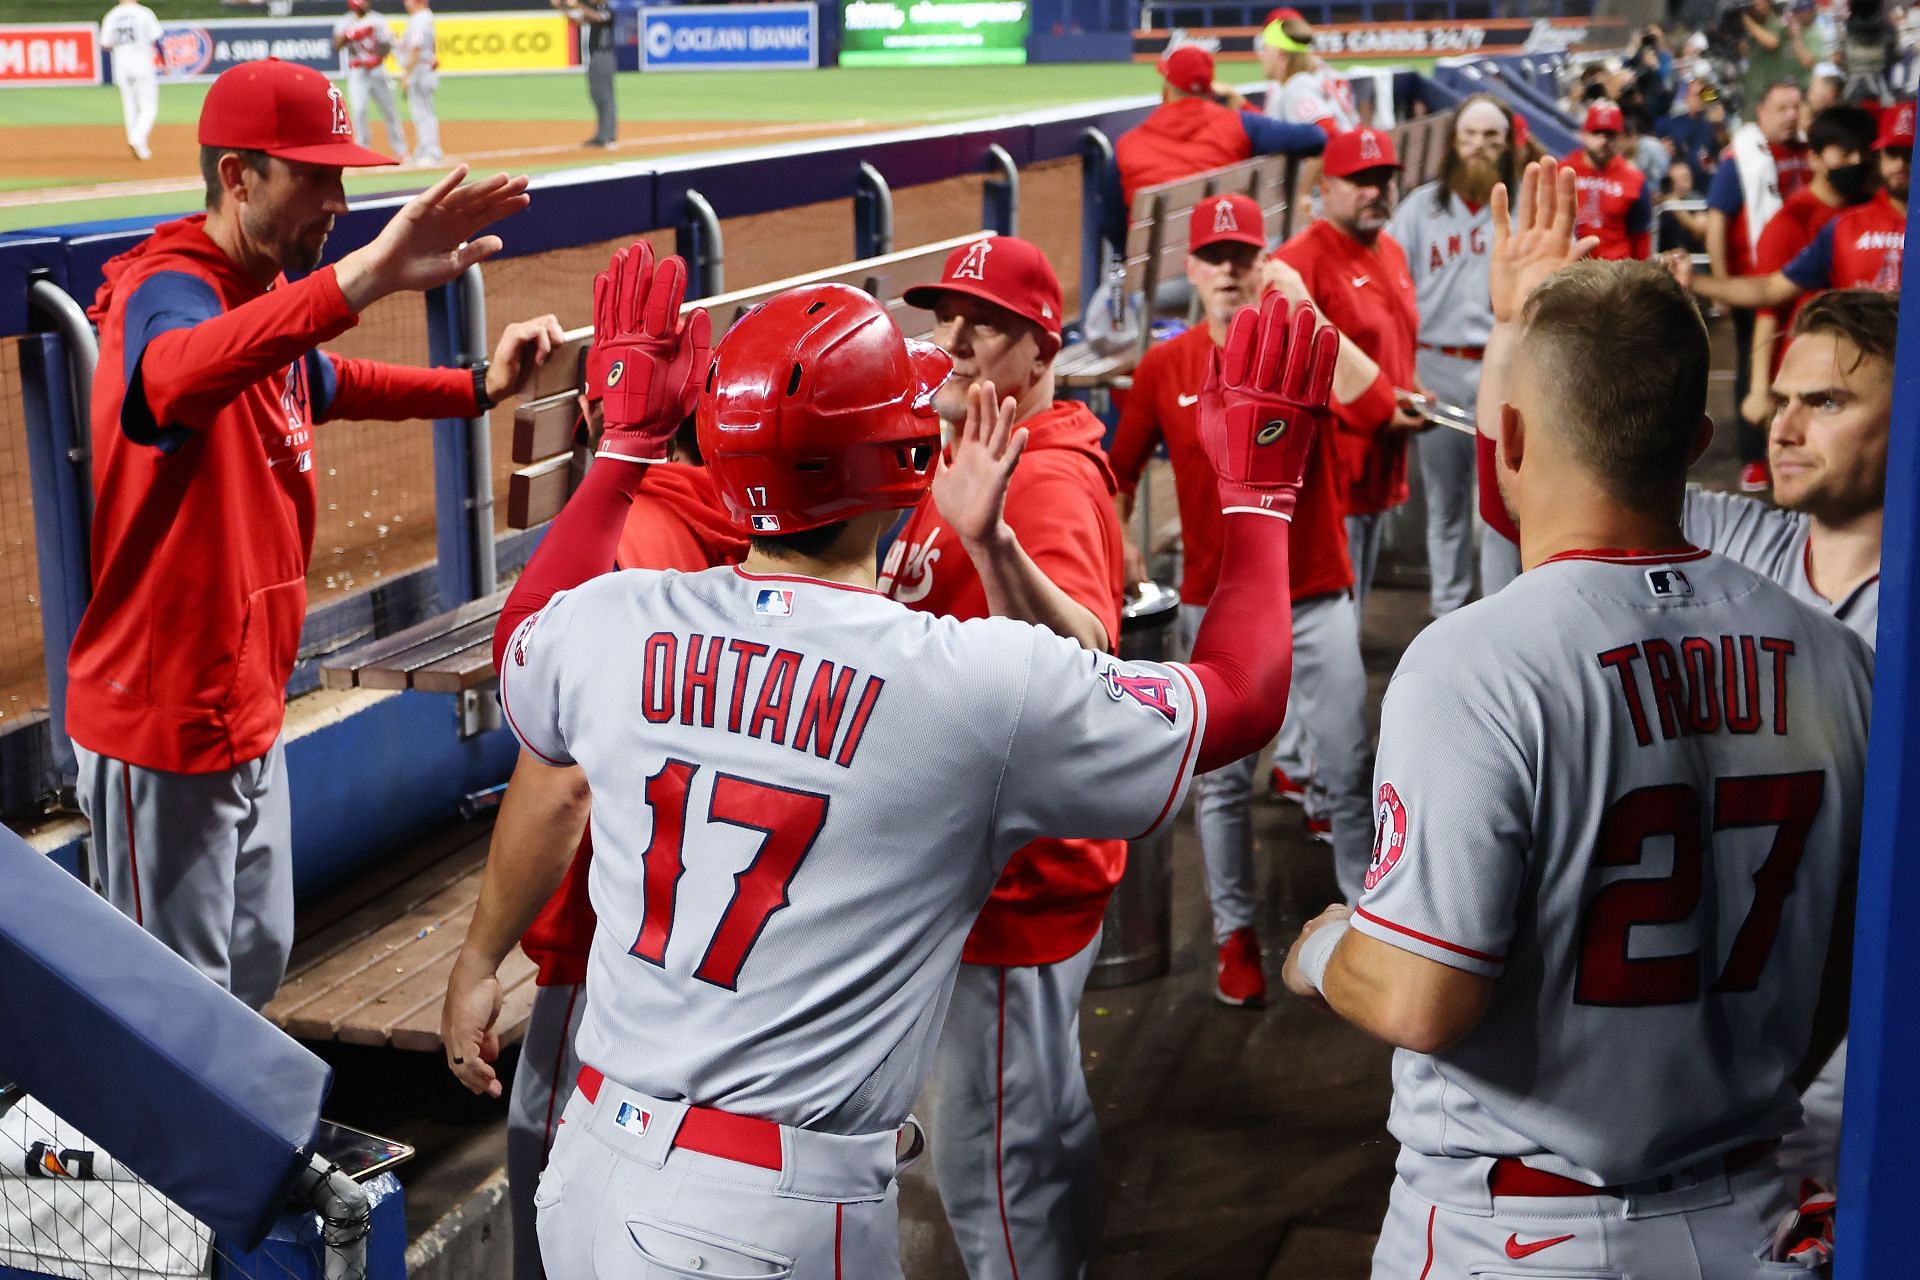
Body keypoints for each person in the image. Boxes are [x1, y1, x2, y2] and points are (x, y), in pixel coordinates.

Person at [441, 241, 1340, 1278]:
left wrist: (623, 448)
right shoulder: (960, 680)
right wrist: (1262, 498)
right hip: (761, 1218)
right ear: (907, 466)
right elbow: (1242, 696)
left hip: (588, 1169)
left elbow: (524, 639)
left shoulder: (620, 619)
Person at [1282, 162, 1872, 1280]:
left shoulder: (1476, 661)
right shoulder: (1834, 655)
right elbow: (1844, 970)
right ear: (1695, 438)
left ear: (1506, 438)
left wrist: (1323, 948)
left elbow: (1420, 994)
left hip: (1524, 1231)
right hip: (1758, 1216)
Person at [66, 59, 561, 1011]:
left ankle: (226, 1156)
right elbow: (170, 375)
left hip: (246, 700)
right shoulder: (168, 292)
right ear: (238, 177)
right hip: (161, 723)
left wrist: (473, 390)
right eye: (313, 177)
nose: (337, 200)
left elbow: (329, 382)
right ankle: (151, 1164)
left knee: (251, 974)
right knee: (172, 1013)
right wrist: (364, 277)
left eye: (341, 176)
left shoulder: (261, 296)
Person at [868, 237, 1121, 1280]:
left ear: (1042, 344)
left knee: (995, 1182)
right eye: (944, 316)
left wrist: (994, 545)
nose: (955, 339)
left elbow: (1092, 655)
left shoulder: (1042, 478)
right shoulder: (983, 448)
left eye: (986, 322)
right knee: (1041, 1136)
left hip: (1014, 891)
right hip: (1003, 877)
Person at [504, 392, 749, 1280]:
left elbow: (560, 781)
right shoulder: (739, 537)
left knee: (549, 1161)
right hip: (711, 946)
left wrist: (478, 953)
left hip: (604, 940)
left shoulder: (625, 538)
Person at [1110, 194, 1374, 1002]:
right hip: (1214, 606)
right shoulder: (1168, 365)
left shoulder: (1303, 349)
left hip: (1317, 593)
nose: (1227, 271)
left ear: (1264, 262)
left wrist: (1305, 315)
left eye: (1242, 257)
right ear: (1190, 269)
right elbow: (1113, 476)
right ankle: (1235, 937)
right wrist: (1124, 555)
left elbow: (1376, 406)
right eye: (1213, 257)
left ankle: (1373, 932)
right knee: (1219, 785)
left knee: (1350, 772)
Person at [1684, 288, 1895, 1188]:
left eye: (1828, 402)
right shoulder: (1741, 536)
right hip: (1717, 999)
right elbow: (1537, 500)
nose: (1781, 423)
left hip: (1857, 1030)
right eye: (1782, 397)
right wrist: (1517, 332)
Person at [1273, 125, 1422, 623]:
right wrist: (1371, 407)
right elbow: (1285, 374)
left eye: (1383, 178)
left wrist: (1410, 391)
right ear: (1326, 187)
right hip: (1332, 474)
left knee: (1351, 616)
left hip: (1381, 464)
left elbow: (1392, 343)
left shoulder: (1392, 251)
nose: (1374, 191)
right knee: (1328, 622)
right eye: (1359, 180)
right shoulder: (1299, 262)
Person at [1386, 94, 1517, 617]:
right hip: (1434, 364)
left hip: (1503, 368)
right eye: (1470, 135)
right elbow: (1393, 294)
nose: (1480, 146)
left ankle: (1503, 618)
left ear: (1507, 144)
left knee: (1502, 509)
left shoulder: (1526, 204)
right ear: (1453, 142)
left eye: (1492, 136)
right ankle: (1448, 616)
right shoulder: (1420, 206)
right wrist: (1406, 370)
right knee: (1446, 505)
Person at [1673, 100, 1910, 307]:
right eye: (1892, 153)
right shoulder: (1841, 226)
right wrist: (1695, 281)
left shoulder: (1850, 214)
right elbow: (1770, 291)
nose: (1901, 164)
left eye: (1910, 154)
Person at [1737, 104, 1877, 429]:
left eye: (1863, 152)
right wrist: (1760, 389)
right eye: (1845, 152)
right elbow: (1768, 307)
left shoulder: (1870, 208)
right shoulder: (1790, 222)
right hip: (1808, 375)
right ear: (1814, 158)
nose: (1856, 162)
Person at [1706, 79, 1809, 491]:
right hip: (1753, 280)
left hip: (1797, 279)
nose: (1790, 115)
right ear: (1761, 111)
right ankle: (1753, 456)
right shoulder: (1740, 160)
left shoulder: (1805, 153)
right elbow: (1716, 222)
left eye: (1795, 107)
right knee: (1755, 365)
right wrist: (1721, 282)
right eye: (1781, 107)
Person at [1113, 44, 1326, 215]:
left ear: (1167, 89)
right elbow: (1316, 138)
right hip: (1228, 254)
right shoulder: (1241, 125)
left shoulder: (1127, 144)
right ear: (1211, 90)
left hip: (1153, 263)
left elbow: (1111, 221)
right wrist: (1242, 106)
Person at [1563, 101, 1653, 260]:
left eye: (1610, 134)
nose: (1603, 140)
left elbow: (1640, 237)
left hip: (1615, 272)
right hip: (1569, 269)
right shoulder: (1563, 171)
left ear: (1619, 138)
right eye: (1596, 133)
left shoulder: (1634, 179)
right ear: (1583, 134)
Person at [1256, 8, 1359, 135]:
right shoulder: (1323, 72)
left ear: (1281, 55)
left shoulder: (1297, 86)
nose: (1261, 56)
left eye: (1266, 49)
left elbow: (1328, 132)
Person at [333, 0, 409, 164]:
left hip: (377, 71)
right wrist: (347, 35)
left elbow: (387, 45)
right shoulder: (345, 22)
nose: (365, 4)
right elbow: (336, 46)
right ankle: (362, 148)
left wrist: (378, 57)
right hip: (357, 72)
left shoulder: (377, 20)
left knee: (389, 110)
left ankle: (401, 149)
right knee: (359, 110)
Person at [99, 0, 162, 162]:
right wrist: (165, 61)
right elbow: (157, 40)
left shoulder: (112, 15)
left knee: (129, 104)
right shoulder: (144, 12)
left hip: (121, 64)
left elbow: (105, 44)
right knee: (149, 105)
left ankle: (137, 144)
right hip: (141, 61)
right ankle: (138, 138)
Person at [1740, 0, 1821, 111]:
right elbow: (1745, 52)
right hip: (1770, 87)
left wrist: (1746, 21)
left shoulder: (1811, 33)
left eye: (1804, 11)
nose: (1799, 15)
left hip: (1802, 88)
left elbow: (1806, 61)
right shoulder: (1762, 27)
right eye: (1797, 12)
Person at [557, 0, 617, 149]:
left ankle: (609, 136)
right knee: (596, 95)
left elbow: (598, 17)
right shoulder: (594, 9)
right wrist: (561, 7)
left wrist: (577, 4)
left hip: (604, 56)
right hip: (593, 58)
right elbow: (578, 21)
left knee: (605, 97)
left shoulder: (607, 9)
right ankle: (601, 135)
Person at [400, 0, 442, 166]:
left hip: (420, 70)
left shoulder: (420, 19)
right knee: (422, 111)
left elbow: (416, 48)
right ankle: (424, 148)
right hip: (424, 68)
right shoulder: (424, 17)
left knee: (422, 112)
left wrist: (407, 75)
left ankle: (431, 151)